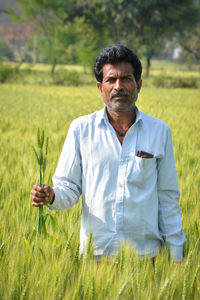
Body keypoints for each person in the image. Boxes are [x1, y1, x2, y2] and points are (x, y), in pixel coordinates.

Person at [31, 44, 186, 261]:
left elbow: (167, 197)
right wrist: (52, 195)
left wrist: (176, 255)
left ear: (139, 85)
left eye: (126, 79)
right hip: (97, 256)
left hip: (146, 258)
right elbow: (69, 188)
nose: (118, 86)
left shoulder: (159, 131)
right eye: (111, 80)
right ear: (99, 87)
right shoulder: (81, 129)